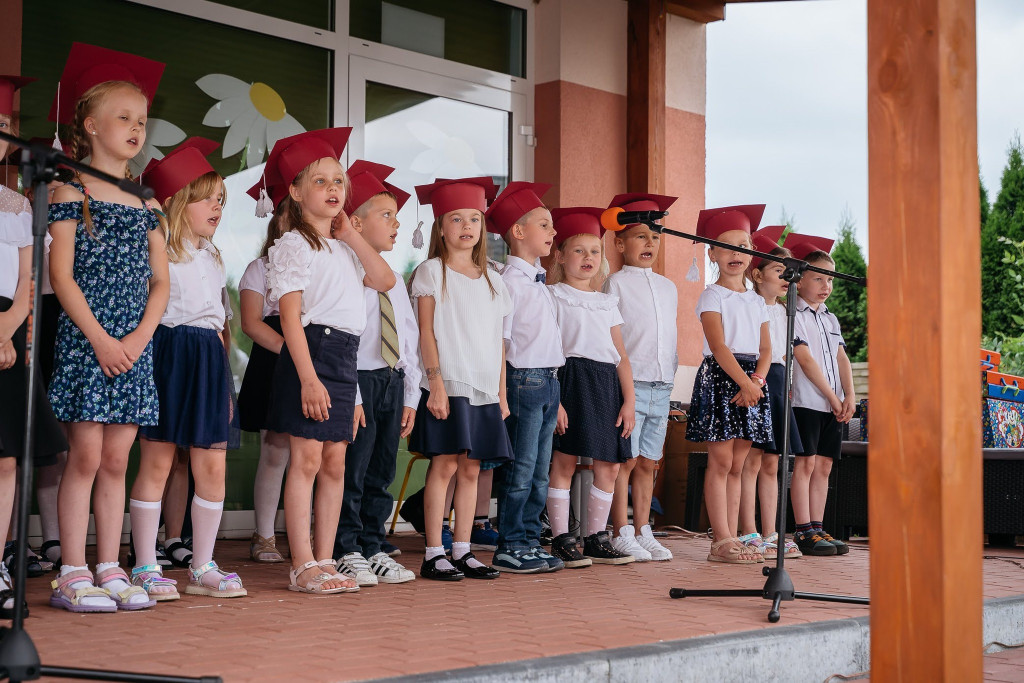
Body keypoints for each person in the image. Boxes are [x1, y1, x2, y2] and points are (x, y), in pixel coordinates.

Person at [46, 43, 168, 612]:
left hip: (134, 342)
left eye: (142, 120)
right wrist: (100, 339)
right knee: (86, 457)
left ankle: (111, 564)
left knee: (120, 459)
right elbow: (62, 277)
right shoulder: (71, 191)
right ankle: (72, 568)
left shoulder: (150, 204)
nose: (135, 128)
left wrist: (139, 339)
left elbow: (161, 283)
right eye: (123, 117)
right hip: (89, 340)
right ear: (90, 125)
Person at [264, 128, 395, 593]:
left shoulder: (344, 249)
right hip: (312, 353)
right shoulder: (293, 246)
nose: (333, 188)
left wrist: (351, 236)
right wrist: (307, 379)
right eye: (319, 181)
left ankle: (326, 557)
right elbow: (291, 319)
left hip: (344, 360)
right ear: (296, 193)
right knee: (305, 459)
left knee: (335, 462)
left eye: (339, 180)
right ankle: (302, 564)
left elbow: (384, 279)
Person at [130, 138, 246, 601]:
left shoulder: (214, 257)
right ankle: (143, 565)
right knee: (158, 461)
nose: (217, 206)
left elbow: (220, 323)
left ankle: (202, 565)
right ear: (178, 201)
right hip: (168, 351)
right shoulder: (158, 247)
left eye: (221, 199)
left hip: (208, 359)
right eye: (206, 198)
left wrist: (225, 383)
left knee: (211, 466)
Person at [409, 177, 513, 581]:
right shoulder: (431, 272)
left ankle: (464, 550)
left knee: (472, 469)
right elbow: (425, 332)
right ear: (441, 227)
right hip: (449, 384)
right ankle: (434, 551)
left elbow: (499, 344)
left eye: (474, 218)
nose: (466, 226)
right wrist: (435, 382)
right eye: (456, 219)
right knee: (445, 465)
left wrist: (501, 393)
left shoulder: (493, 279)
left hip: (484, 387)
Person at [0, 74, 68, 618]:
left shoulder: (18, 209)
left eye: (4, 127)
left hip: (7, 325)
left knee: (7, 460)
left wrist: (7, 332)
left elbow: (27, 283)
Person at [332, 160, 418, 586]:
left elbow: (410, 338)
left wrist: (411, 394)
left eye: (397, 218)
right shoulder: (343, 269)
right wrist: (355, 395)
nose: (395, 225)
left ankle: (372, 544)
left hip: (391, 380)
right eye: (387, 216)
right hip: (360, 381)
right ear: (355, 222)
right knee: (353, 470)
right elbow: (346, 339)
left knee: (382, 472)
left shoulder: (394, 279)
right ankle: (345, 546)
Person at [546, 207, 635, 566]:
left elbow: (621, 357)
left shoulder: (607, 302)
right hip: (569, 380)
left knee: (609, 466)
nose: (588, 258)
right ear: (560, 255)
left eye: (594, 251)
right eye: (579, 250)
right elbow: (548, 351)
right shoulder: (552, 297)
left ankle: (597, 537)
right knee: (565, 461)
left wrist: (628, 401)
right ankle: (561, 538)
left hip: (606, 384)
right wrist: (555, 400)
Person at [685, 204, 772, 564]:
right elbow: (718, 346)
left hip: (752, 379)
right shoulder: (712, 296)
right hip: (724, 378)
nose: (736, 254)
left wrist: (757, 382)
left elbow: (766, 348)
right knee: (720, 462)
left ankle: (737, 535)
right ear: (713, 254)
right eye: (727, 247)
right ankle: (720, 539)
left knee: (739, 465)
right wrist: (745, 383)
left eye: (743, 246)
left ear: (752, 251)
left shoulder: (757, 300)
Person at [484, 181, 565, 574]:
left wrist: (558, 395)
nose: (553, 233)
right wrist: (501, 393)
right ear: (518, 232)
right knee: (522, 467)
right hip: (523, 381)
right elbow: (501, 343)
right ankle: (511, 542)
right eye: (545, 225)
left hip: (549, 381)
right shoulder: (509, 282)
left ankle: (531, 539)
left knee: (540, 469)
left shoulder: (540, 282)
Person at [604, 192, 678, 563]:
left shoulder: (668, 287)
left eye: (655, 236)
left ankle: (644, 528)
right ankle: (621, 530)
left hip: (662, 383)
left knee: (650, 460)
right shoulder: (614, 284)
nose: (650, 243)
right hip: (630, 384)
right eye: (640, 236)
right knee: (626, 460)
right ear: (620, 242)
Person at [787, 234, 856, 557]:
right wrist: (831, 396)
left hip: (834, 404)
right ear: (799, 280)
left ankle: (818, 526)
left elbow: (842, 357)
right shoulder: (794, 314)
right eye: (818, 277)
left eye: (829, 278)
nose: (825, 285)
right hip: (807, 402)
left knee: (825, 466)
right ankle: (802, 530)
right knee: (806, 463)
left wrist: (849, 396)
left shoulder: (830, 317)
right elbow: (805, 359)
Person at [738, 225, 802, 561]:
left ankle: (771, 531)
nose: (787, 279)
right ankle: (749, 530)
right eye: (780, 271)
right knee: (751, 460)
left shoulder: (785, 311)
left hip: (779, 382)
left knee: (773, 462)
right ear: (757, 273)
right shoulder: (748, 305)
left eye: (791, 274)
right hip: (755, 379)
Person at [238, 179, 290, 563]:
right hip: (277, 359)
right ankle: (265, 535)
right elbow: (252, 323)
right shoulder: (261, 267)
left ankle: (313, 534)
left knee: (316, 453)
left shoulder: (329, 264)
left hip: (318, 355)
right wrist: (295, 352)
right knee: (276, 451)